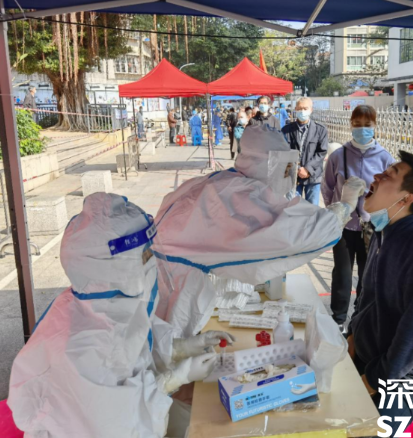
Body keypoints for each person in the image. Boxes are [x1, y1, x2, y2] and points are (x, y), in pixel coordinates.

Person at [7, 193, 234, 438]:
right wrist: (176, 377)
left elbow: (138, 345)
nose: (152, 262)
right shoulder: (82, 349)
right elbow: (122, 423)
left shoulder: (105, 300)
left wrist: (187, 346)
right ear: (112, 265)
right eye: (145, 256)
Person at [152, 124, 367, 340]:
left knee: (167, 343)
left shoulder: (221, 180)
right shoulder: (238, 194)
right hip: (174, 286)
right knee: (169, 346)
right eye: (285, 168)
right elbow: (292, 233)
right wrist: (346, 205)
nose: (287, 175)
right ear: (269, 164)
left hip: (166, 274)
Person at [347, 151, 413, 433]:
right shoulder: (383, 232)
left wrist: (373, 380)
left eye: (388, 176)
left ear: (406, 199)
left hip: (407, 376)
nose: (376, 177)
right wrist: (352, 335)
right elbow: (366, 296)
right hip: (371, 354)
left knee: (359, 431)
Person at [322, 105, 395, 332]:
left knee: (367, 275)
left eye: (367, 125)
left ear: (375, 126)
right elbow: (327, 188)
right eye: (357, 124)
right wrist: (337, 212)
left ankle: (360, 318)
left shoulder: (385, 158)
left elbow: (391, 193)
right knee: (342, 274)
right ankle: (338, 319)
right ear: (351, 125)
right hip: (343, 227)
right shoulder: (338, 155)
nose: (362, 129)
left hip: (371, 228)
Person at [282, 97, 327, 205]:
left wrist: (307, 169)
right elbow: (283, 151)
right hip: (293, 176)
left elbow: (321, 152)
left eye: (305, 108)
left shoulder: (320, 130)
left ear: (311, 110)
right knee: (292, 208)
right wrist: (297, 168)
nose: (302, 111)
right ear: (295, 109)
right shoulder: (286, 130)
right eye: (300, 108)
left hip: (313, 176)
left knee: (312, 209)